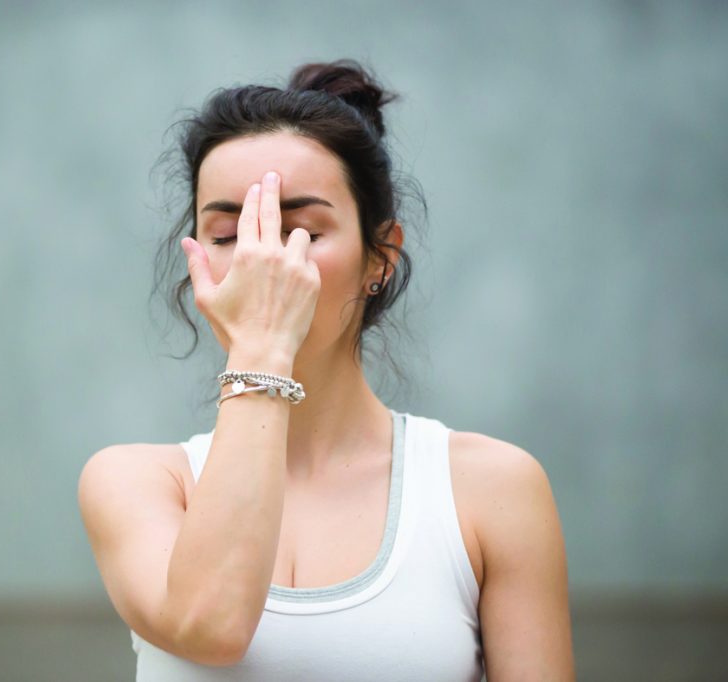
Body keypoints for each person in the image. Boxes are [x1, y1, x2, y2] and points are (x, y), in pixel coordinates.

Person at [78, 58, 575, 680]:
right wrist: (262, 351)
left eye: (303, 230)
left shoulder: (492, 489)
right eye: (229, 234)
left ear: (381, 255)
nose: (265, 260)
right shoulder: (137, 482)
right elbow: (210, 626)